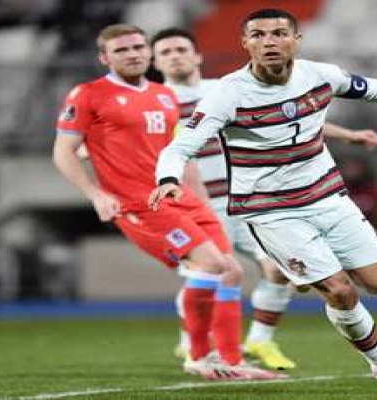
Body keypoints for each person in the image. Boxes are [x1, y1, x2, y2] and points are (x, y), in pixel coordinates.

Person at [150, 9, 377, 396]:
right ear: (245, 43)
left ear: (296, 40)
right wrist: (168, 179)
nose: (268, 41)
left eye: (278, 33)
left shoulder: (320, 76)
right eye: (258, 35)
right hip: (270, 211)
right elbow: (181, 145)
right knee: (340, 290)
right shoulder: (227, 94)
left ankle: (310, 275)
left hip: (329, 199)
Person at [52, 23, 285, 381]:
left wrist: (201, 200)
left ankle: (232, 361)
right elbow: (64, 151)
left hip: (184, 198)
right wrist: (96, 194)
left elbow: (181, 152)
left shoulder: (163, 94)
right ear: (104, 58)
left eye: (137, 47)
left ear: (148, 51)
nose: (132, 54)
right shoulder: (87, 94)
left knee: (232, 271)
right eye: (121, 50)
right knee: (209, 265)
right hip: (139, 204)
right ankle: (198, 356)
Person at [150, 27, 377, 371]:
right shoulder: (154, 102)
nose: (175, 56)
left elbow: (293, 117)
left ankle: (260, 340)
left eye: (181, 49)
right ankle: (192, 344)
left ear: (197, 55)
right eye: (166, 52)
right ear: (156, 62)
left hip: (251, 201)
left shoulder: (225, 89)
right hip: (198, 204)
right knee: (208, 273)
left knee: (279, 270)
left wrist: (347, 135)